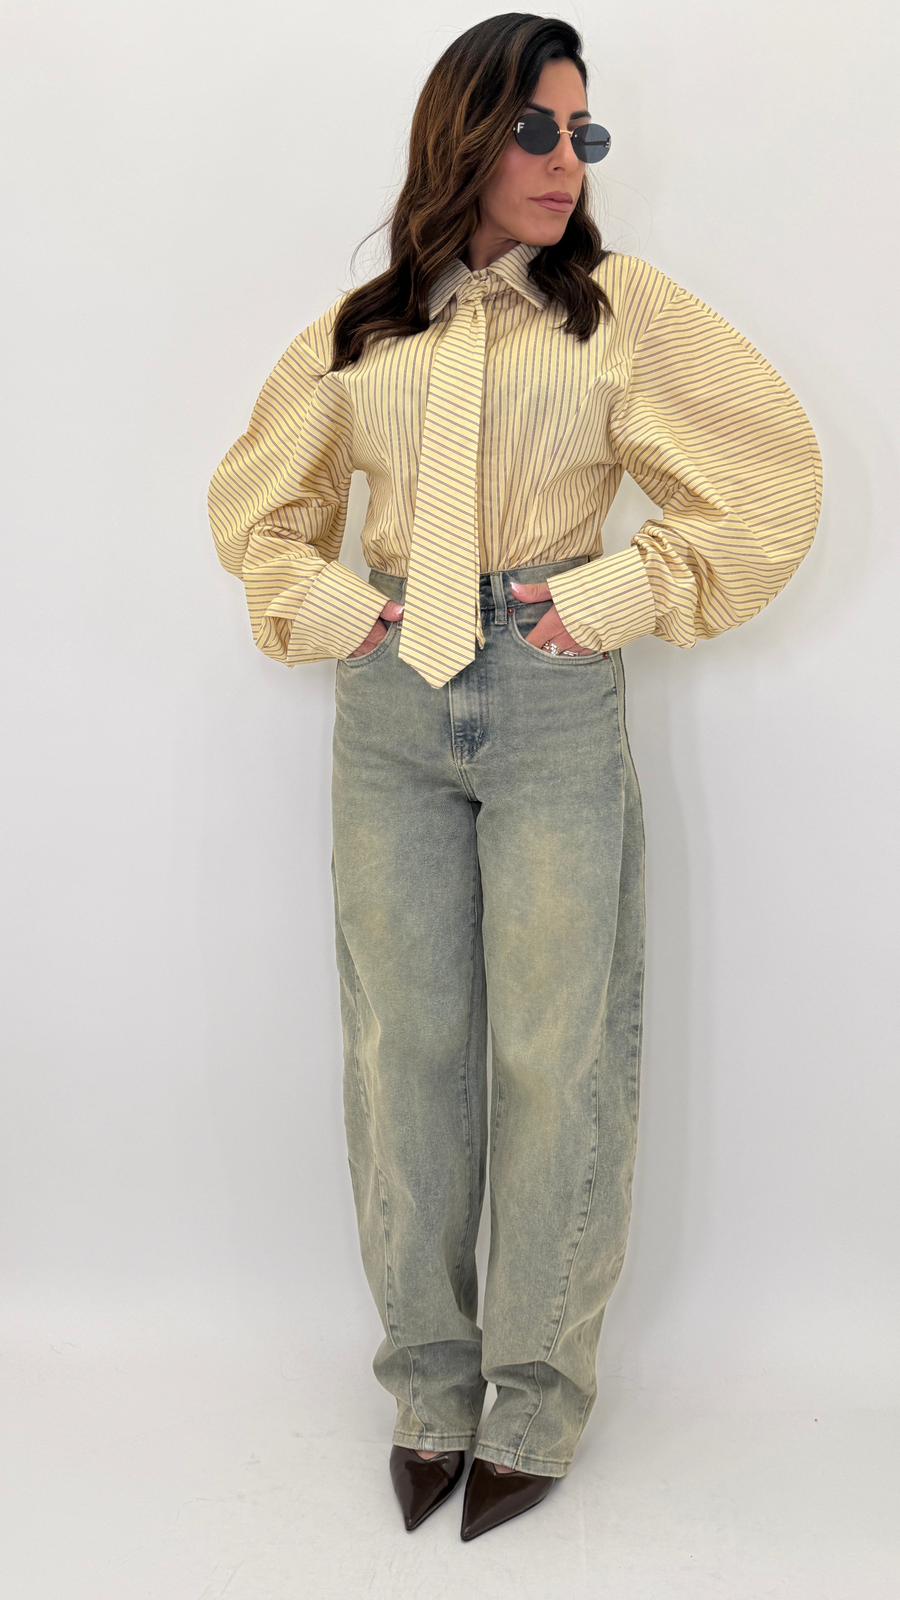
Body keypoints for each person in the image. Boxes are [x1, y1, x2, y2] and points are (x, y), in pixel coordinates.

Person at [206, 14, 823, 1542]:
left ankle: (535, 1399)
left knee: (560, 1053)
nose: (566, 162)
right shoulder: (367, 331)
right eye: (539, 130)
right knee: (401, 1049)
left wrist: (613, 594)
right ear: (463, 136)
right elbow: (259, 508)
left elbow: (768, 481)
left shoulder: (619, 312)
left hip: (551, 697)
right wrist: (343, 611)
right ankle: (429, 1389)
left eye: (584, 134)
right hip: (390, 708)